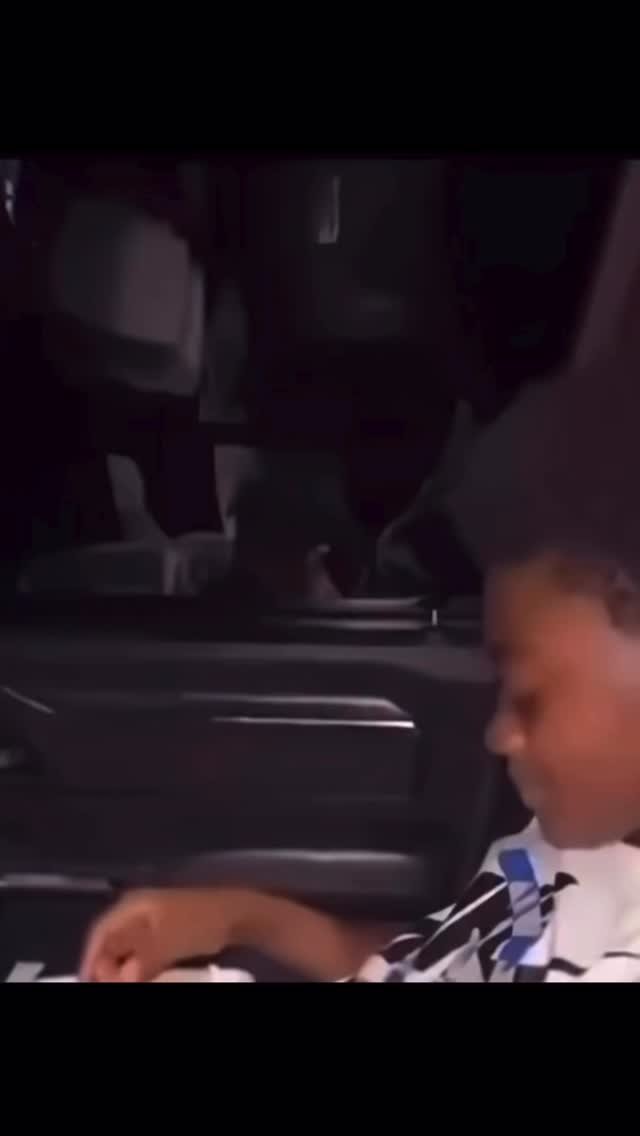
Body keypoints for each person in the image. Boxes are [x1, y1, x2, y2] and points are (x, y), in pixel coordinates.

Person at [81, 347, 640, 982]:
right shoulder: (563, 847)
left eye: (529, 696)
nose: (498, 733)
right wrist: (237, 917)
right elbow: (427, 963)